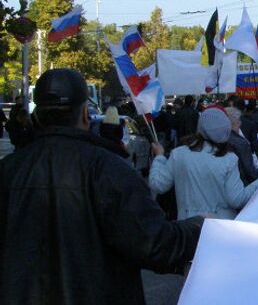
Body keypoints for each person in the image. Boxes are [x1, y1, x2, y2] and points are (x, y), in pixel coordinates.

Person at [0, 69, 203, 305]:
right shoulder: (109, 169)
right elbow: (154, 244)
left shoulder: (9, 170)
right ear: (86, 114)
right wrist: (199, 227)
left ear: (36, 117)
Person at [148, 108, 258, 220]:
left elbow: (158, 184)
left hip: (188, 225)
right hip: (219, 226)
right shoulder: (229, 159)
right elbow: (236, 199)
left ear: (200, 128)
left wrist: (159, 156)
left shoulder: (178, 154)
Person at [225, 107, 258, 185]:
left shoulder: (219, 138)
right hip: (243, 184)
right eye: (240, 120)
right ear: (237, 122)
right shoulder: (241, 142)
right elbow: (249, 171)